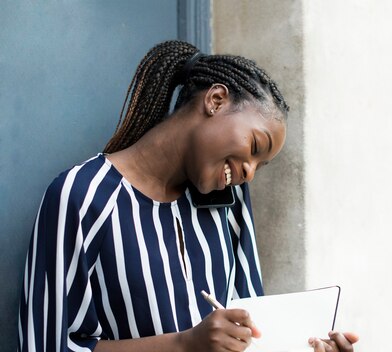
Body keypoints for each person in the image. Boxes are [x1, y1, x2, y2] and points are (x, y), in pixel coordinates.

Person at [18, 40, 358, 352]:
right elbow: (48, 346)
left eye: (260, 165)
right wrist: (184, 345)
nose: (249, 172)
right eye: (254, 147)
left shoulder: (231, 203)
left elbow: (253, 336)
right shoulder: (83, 197)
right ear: (216, 100)